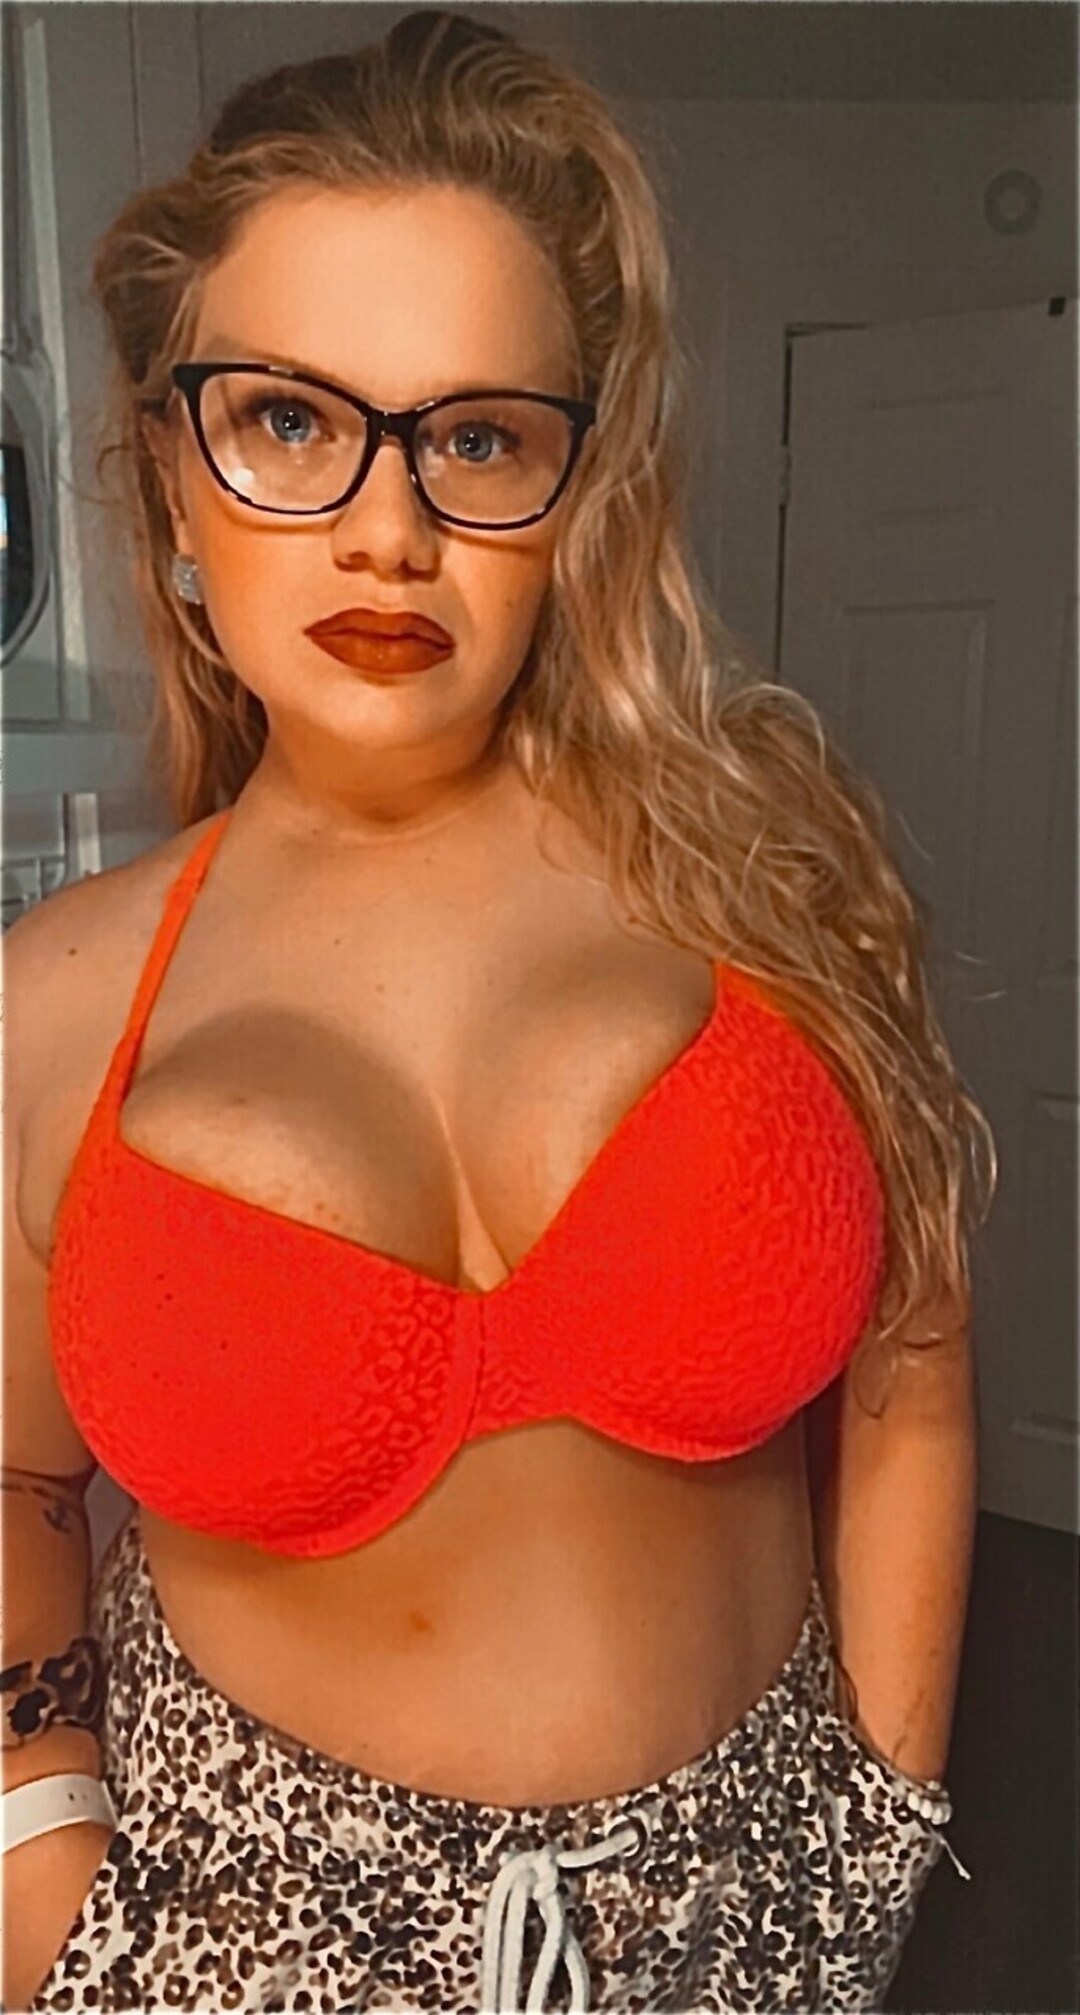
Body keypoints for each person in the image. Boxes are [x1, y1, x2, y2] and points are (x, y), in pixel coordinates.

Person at [2, 11, 994, 2011]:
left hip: (759, 1912)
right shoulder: (46, 1007)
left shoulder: (765, 884)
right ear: (171, 477)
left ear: (576, 488)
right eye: (289, 419)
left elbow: (912, 1360)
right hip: (233, 1945)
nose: (389, 527)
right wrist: (46, 1889)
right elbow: (9, 1483)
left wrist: (875, 1830)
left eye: (475, 438)